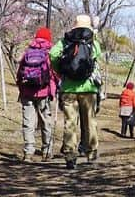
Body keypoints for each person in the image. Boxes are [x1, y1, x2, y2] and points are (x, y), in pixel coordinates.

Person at [49, 14, 102, 169]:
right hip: (89, 88)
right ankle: (91, 153)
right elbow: (97, 56)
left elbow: (52, 54)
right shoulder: (92, 41)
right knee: (89, 121)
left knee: (70, 122)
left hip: (68, 88)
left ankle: (70, 156)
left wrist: (61, 71)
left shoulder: (66, 40)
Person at [16, 26, 58, 161]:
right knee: (46, 121)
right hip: (43, 92)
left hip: (27, 91)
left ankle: (28, 152)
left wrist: (21, 87)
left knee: (28, 122)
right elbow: (53, 74)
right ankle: (47, 151)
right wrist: (55, 90)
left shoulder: (28, 51)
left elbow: (20, 72)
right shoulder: (50, 53)